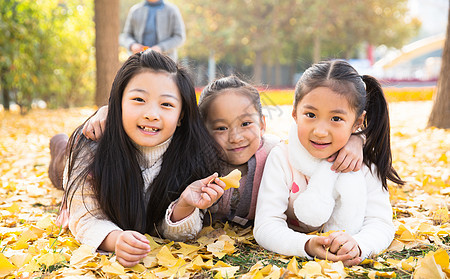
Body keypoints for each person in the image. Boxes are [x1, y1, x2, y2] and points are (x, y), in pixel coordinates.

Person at [53, 75, 365, 236]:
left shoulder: (277, 153)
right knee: (64, 170)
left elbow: (319, 143)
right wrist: (107, 112)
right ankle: (62, 150)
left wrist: (356, 140)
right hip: (82, 156)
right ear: (203, 131)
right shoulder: (194, 159)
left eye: (246, 124)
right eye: (220, 128)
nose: (237, 137)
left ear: (263, 124)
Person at [60, 50, 226, 267]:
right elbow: (84, 216)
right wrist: (115, 239)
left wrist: (184, 205)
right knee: (60, 169)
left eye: (166, 104)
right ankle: (60, 146)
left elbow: (170, 231)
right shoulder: (91, 145)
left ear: (181, 116)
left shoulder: (191, 154)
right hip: (75, 162)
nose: (151, 114)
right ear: (117, 104)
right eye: (139, 99)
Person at [253, 60, 404, 267]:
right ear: (295, 113)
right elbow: (266, 225)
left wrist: (359, 244)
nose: (320, 131)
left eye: (336, 118)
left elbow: (381, 223)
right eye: (310, 115)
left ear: (358, 122)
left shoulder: (364, 166)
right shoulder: (282, 158)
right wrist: (305, 245)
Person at [120, 0, 186, 61]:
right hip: (139, 61)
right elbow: (126, 35)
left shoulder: (172, 10)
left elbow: (179, 37)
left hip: (165, 63)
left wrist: (160, 47)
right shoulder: (135, 10)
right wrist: (132, 45)